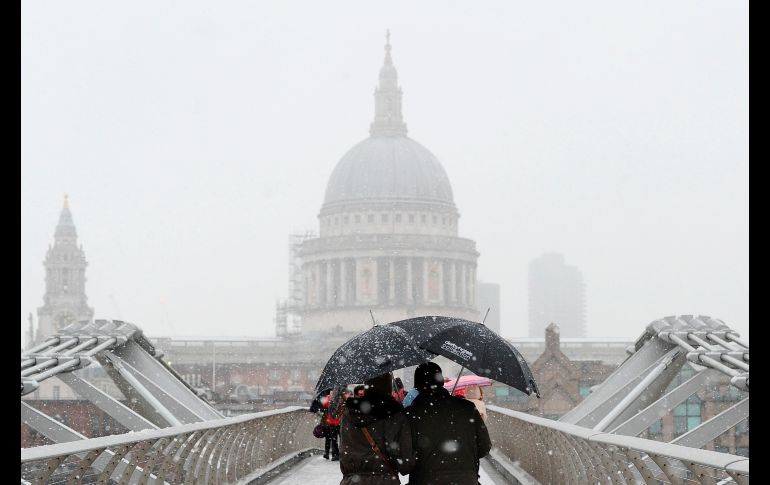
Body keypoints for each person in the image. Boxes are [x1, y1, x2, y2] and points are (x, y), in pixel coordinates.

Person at [404, 362, 492, 485]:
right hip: (466, 480)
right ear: (441, 381)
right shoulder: (467, 408)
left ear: (417, 385)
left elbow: (405, 461)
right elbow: (484, 447)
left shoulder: (410, 414)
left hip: (425, 480)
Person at [338, 372, 415, 484]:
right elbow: (405, 464)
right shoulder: (394, 416)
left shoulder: (348, 415)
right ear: (388, 386)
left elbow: (344, 452)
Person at [321, 387, 345, 460]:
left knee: (333, 440)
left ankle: (335, 455)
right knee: (342, 439)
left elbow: (324, 405)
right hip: (340, 422)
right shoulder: (342, 397)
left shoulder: (329, 397)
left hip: (331, 422)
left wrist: (329, 397)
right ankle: (342, 454)